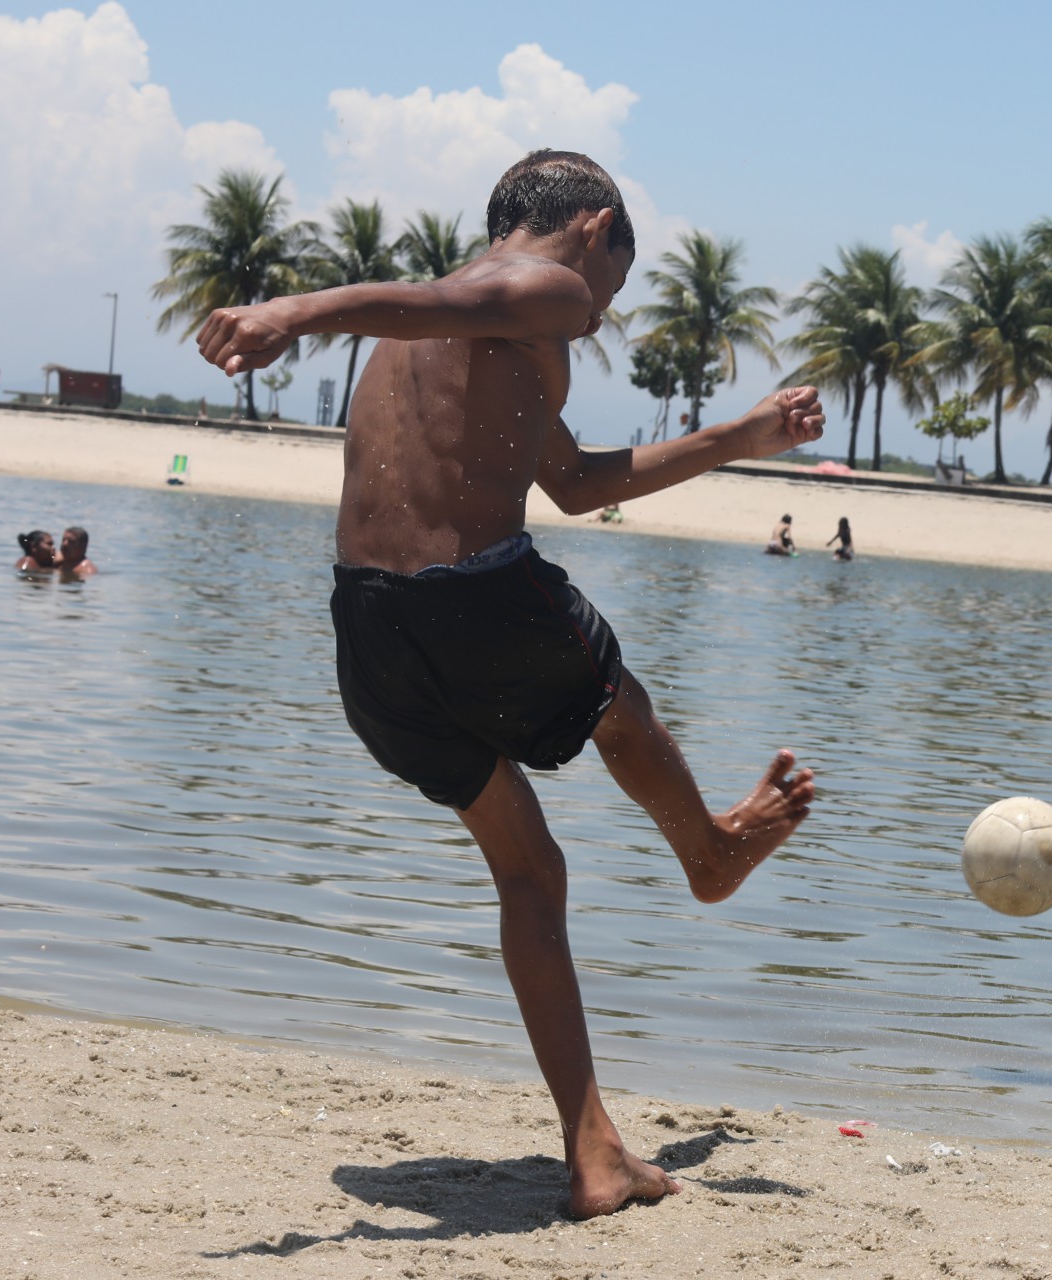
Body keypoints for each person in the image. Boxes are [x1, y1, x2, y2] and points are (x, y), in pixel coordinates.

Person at [193, 148, 824, 1218]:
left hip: (370, 632)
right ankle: (709, 852)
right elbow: (469, 293)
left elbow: (573, 483)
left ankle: (595, 1151)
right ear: (593, 225)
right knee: (615, 699)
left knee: (532, 872)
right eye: (617, 277)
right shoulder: (544, 285)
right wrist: (291, 311)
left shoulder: (461, 332)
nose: (602, 307)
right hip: (471, 601)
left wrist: (743, 437)